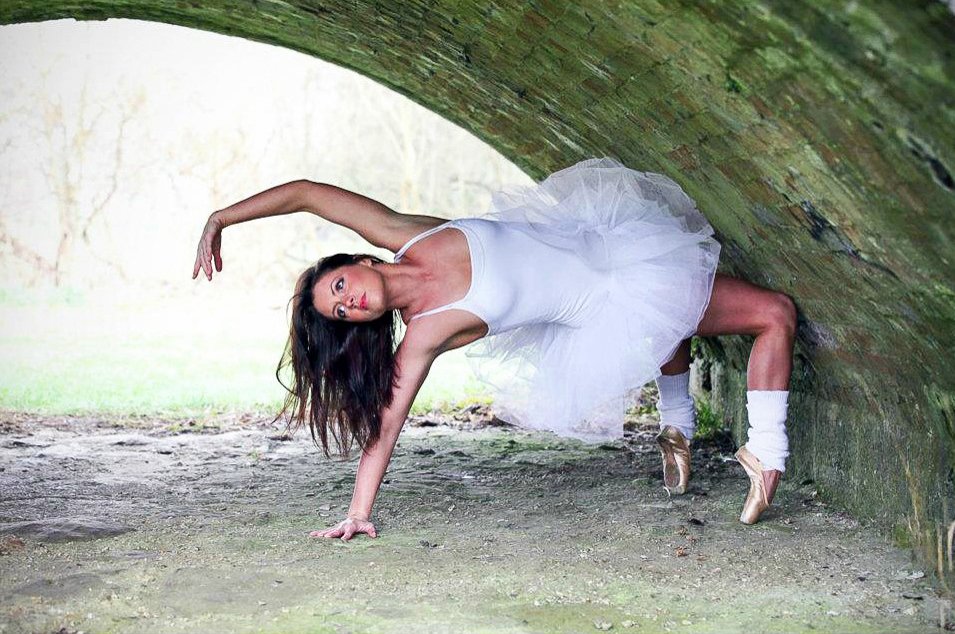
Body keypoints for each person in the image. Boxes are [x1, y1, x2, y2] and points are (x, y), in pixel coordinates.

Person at [192, 158, 797, 539]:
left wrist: (223, 217)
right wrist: (358, 511)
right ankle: (767, 453)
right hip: (605, 308)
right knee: (769, 314)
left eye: (341, 287)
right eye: (340, 311)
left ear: (359, 259)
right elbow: (386, 424)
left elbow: (305, 191)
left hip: (617, 245)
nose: (349, 303)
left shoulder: (409, 234)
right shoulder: (426, 332)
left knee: (678, 317)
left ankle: (676, 428)